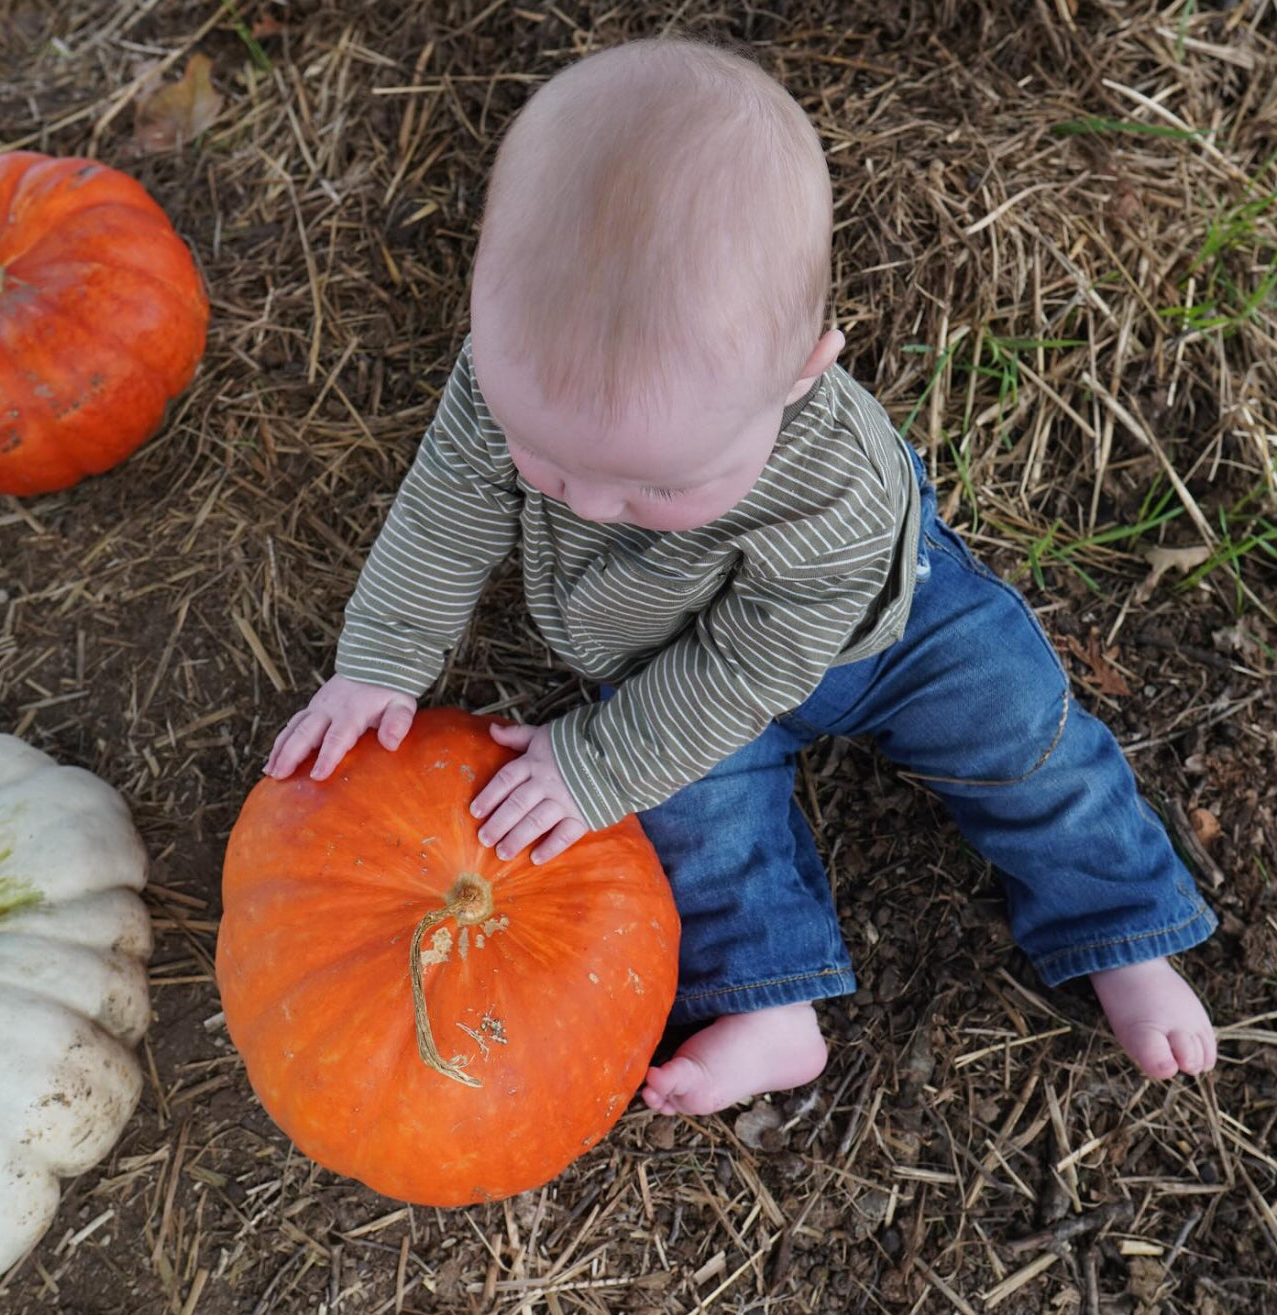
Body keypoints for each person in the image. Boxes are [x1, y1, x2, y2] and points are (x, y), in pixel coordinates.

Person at [265, 37, 1218, 1116]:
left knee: (1022, 724)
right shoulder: (513, 374)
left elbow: (756, 657)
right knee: (691, 816)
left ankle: (1120, 928)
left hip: (880, 629)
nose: (584, 504)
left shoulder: (833, 484)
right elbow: (446, 509)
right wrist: (381, 662)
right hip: (667, 651)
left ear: (803, 370)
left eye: (653, 487)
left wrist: (602, 757)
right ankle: (772, 1003)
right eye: (551, 464)